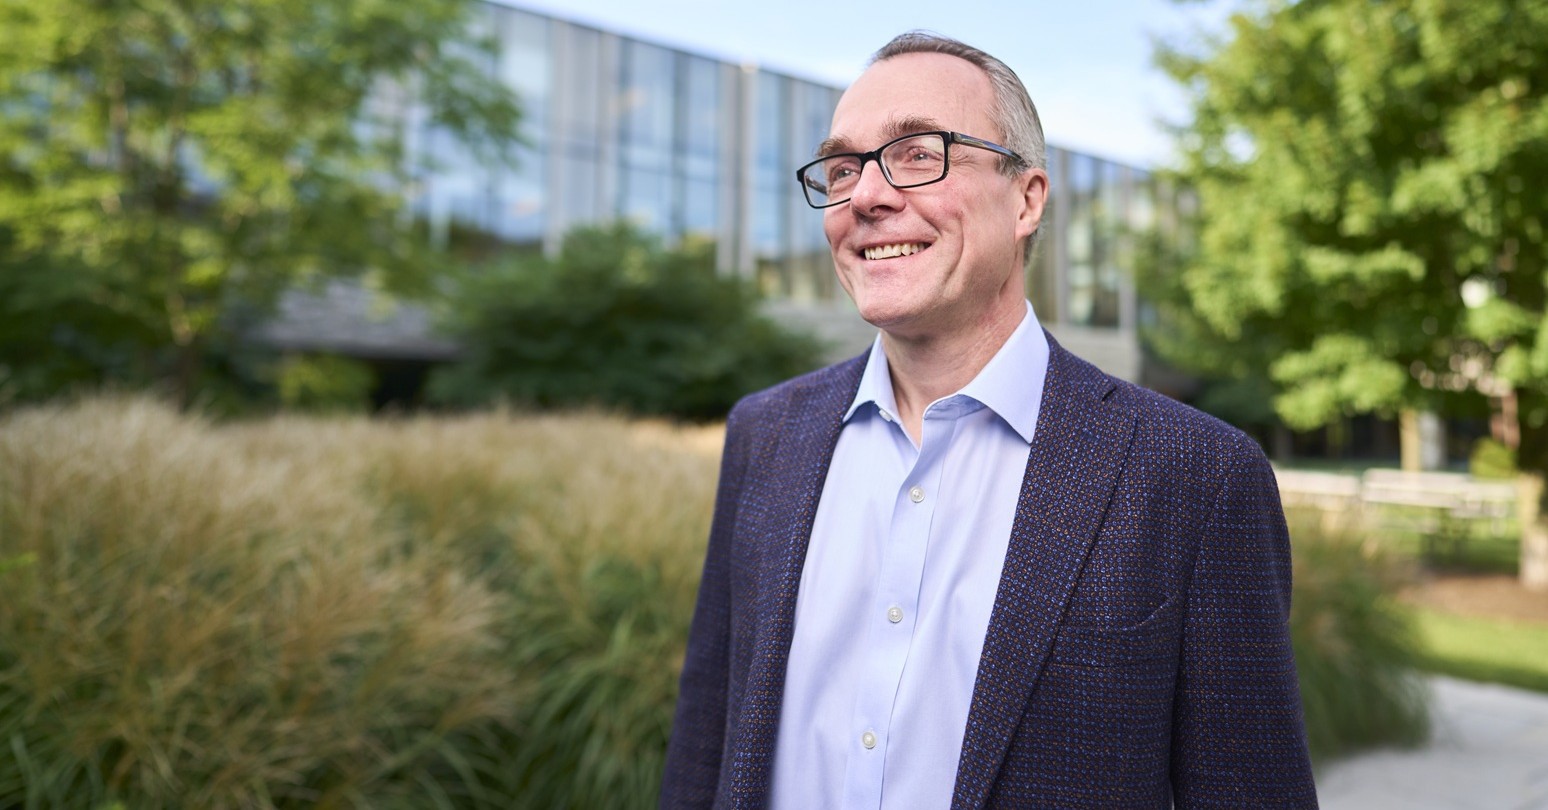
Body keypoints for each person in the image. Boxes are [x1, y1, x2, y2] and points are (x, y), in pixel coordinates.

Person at [661, 31, 1317, 809]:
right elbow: (705, 752)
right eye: (843, 168)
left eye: (916, 153)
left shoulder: (1194, 476)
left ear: (1027, 199)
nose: (866, 196)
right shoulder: (764, 436)